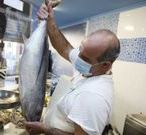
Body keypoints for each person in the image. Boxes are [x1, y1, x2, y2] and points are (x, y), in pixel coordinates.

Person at [24, 1, 120, 135]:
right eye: (80, 50)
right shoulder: (91, 69)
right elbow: (64, 48)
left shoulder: (93, 96)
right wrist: (49, 19)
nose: (77, 58)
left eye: (85, 58)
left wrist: (44, 129)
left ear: (105, 65)